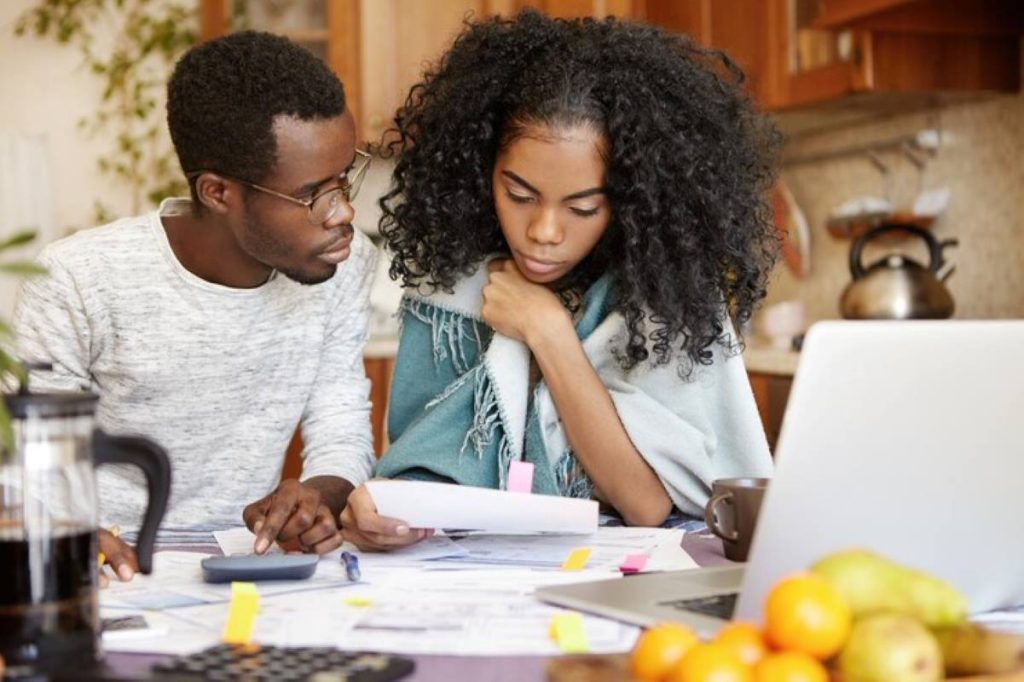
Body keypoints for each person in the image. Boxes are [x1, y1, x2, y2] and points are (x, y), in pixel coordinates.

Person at [338, 11, 780, 551]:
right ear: (482, 174)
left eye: (583, 207)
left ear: (627, 201)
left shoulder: (666, 295)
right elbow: (417, 478)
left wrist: (546, 331)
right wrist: (385, 514)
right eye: (519, 195)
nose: (543, 232)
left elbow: (644, 503)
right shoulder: (449, 287)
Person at [14, 31, 377, 579]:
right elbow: (29, 462)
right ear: (218, 193)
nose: (342, 212)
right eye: (311, 195)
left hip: (248, 570)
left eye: (345, 179)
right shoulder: (77, 279)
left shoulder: (343, 266)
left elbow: (340, 422)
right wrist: (70, 539)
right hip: (108, 579)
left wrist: (314, 496)